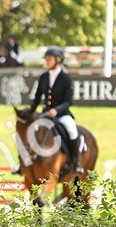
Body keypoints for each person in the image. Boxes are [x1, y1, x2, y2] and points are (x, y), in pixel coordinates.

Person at [28, 46, 82, 176]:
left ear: (58, 60)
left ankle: (76, 162)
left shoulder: (66, 78)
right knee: (29, 129)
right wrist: (30, 112)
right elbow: (37, 97)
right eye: (46, 59)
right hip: (46, 114)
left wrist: (56, 110)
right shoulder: (43, 77)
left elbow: (69, 101)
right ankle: (24, 162)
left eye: (49, 59)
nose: (46, 61)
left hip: (62, 114)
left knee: (72, 130)